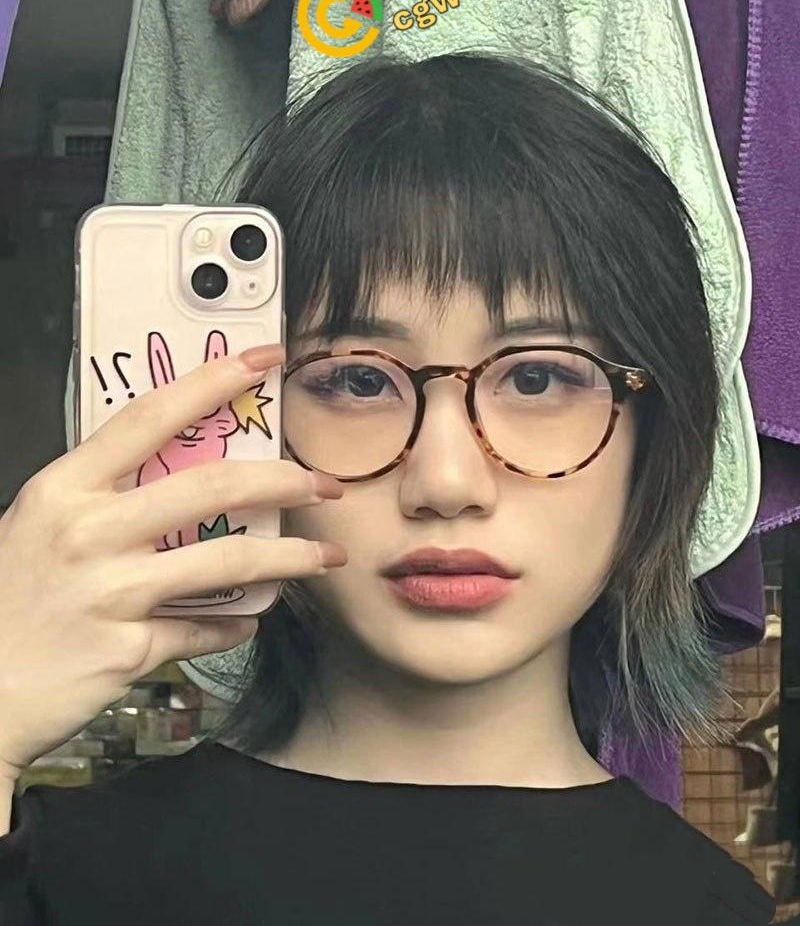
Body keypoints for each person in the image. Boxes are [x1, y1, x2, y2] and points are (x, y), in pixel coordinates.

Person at [0, 53, 776, 924]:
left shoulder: (714, 912)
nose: (446, 481)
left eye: (537, 377)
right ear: (254, 424)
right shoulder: (62, 878)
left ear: (654, 439)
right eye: (358, 380)